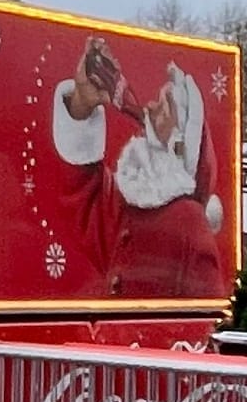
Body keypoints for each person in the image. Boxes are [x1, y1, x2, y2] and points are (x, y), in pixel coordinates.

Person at [50, 37, 224, 297]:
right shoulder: (128, 204)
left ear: (179, 142)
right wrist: (81, 104)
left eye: (165, 107)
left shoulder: (189, 221)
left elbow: (204, 313)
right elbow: (82, 194)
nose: (151, 106)